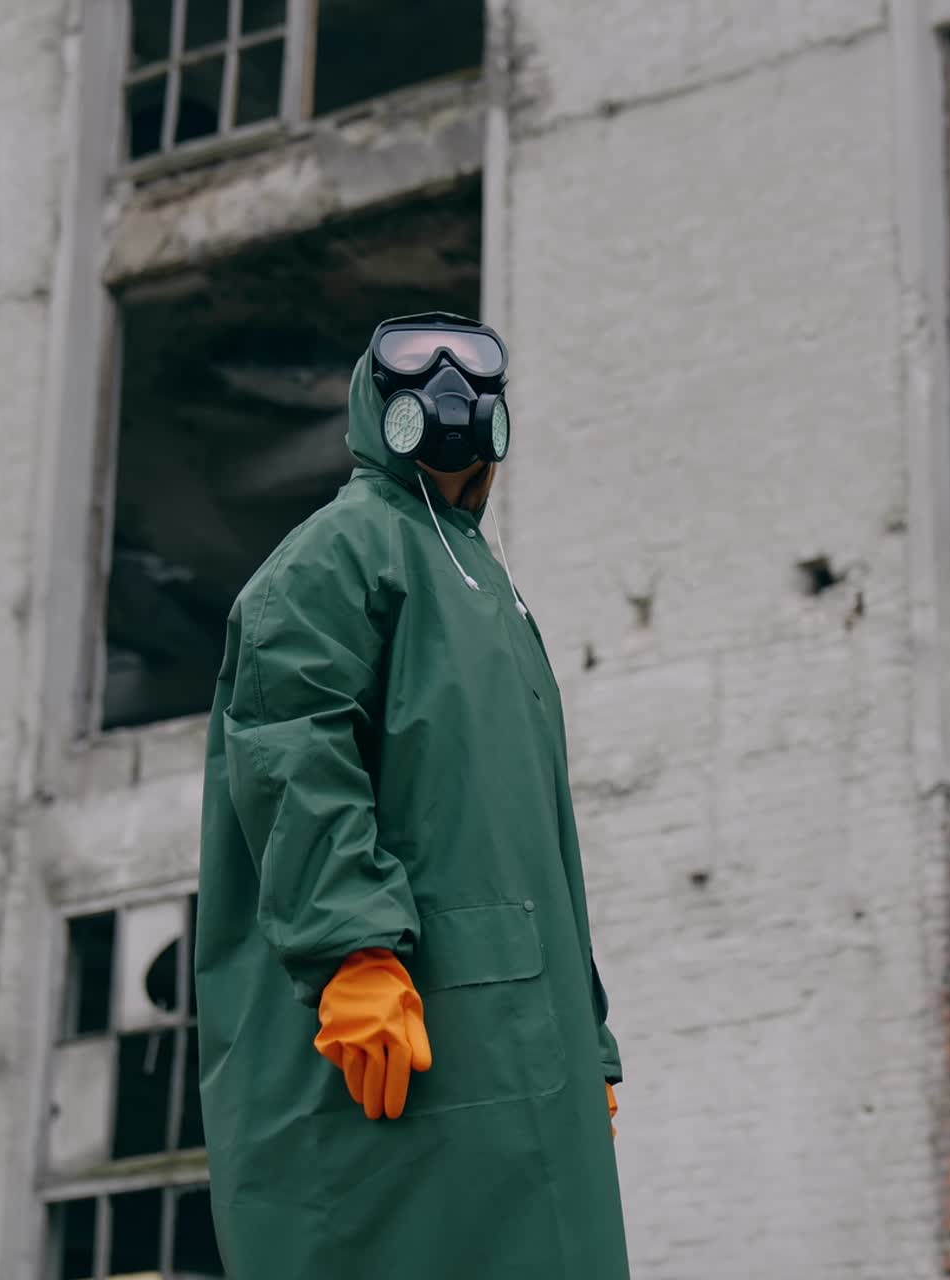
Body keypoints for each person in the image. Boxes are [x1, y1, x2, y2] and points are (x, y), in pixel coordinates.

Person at [195, 312, 630, 1279]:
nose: (450, 389)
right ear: (373, 402)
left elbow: (535, 845)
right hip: (406, 1036)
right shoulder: (340, 553)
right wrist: (351, 953)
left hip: (524, 1049)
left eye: (475, 368)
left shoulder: (486, 585)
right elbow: (292, 748)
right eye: (417, 363)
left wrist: (585, 1031)